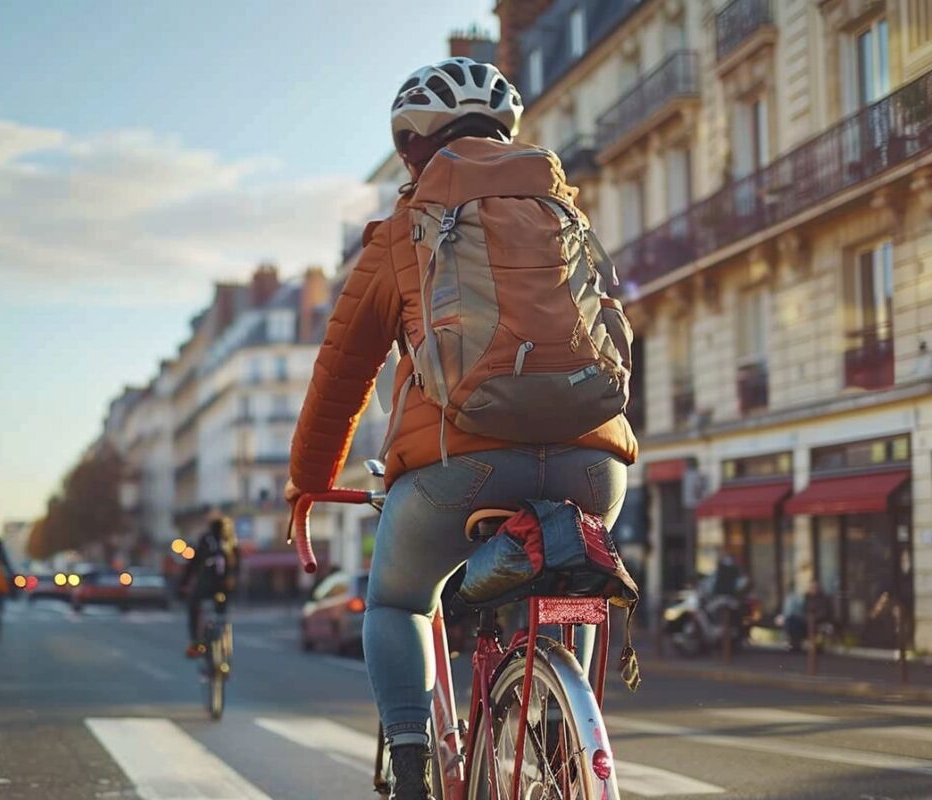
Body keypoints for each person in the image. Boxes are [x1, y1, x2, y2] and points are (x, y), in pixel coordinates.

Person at [285, 57, 637, 799]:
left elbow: (340, 377)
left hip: (459, 467)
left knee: (399, 601)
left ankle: (411, 767)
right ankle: (556, 734)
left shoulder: (400, 233)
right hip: (594, 465)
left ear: (415, 149)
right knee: (558, 565)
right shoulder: (562, 212)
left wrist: (310, 483)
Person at [180, 514, 240, 659]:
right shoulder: (231, 541)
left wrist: (183, 583)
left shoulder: (206, 539)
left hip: (206, 584)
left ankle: (195, 642)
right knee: (222, 613)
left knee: (194, 605)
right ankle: (224, 640)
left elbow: (193, 564)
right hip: (225, 586)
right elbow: (237, 564)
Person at [782, 579, 833, 651]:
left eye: (814, 587)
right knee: (792, 621)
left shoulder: (824, 599)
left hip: (817, 621)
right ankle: (795, 643)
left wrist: (813, 618)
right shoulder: (807, 597)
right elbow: (803, 610)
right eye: (811, 587)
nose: (813, 589)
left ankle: (814, 646)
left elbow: (824, 612)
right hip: (806, 620)